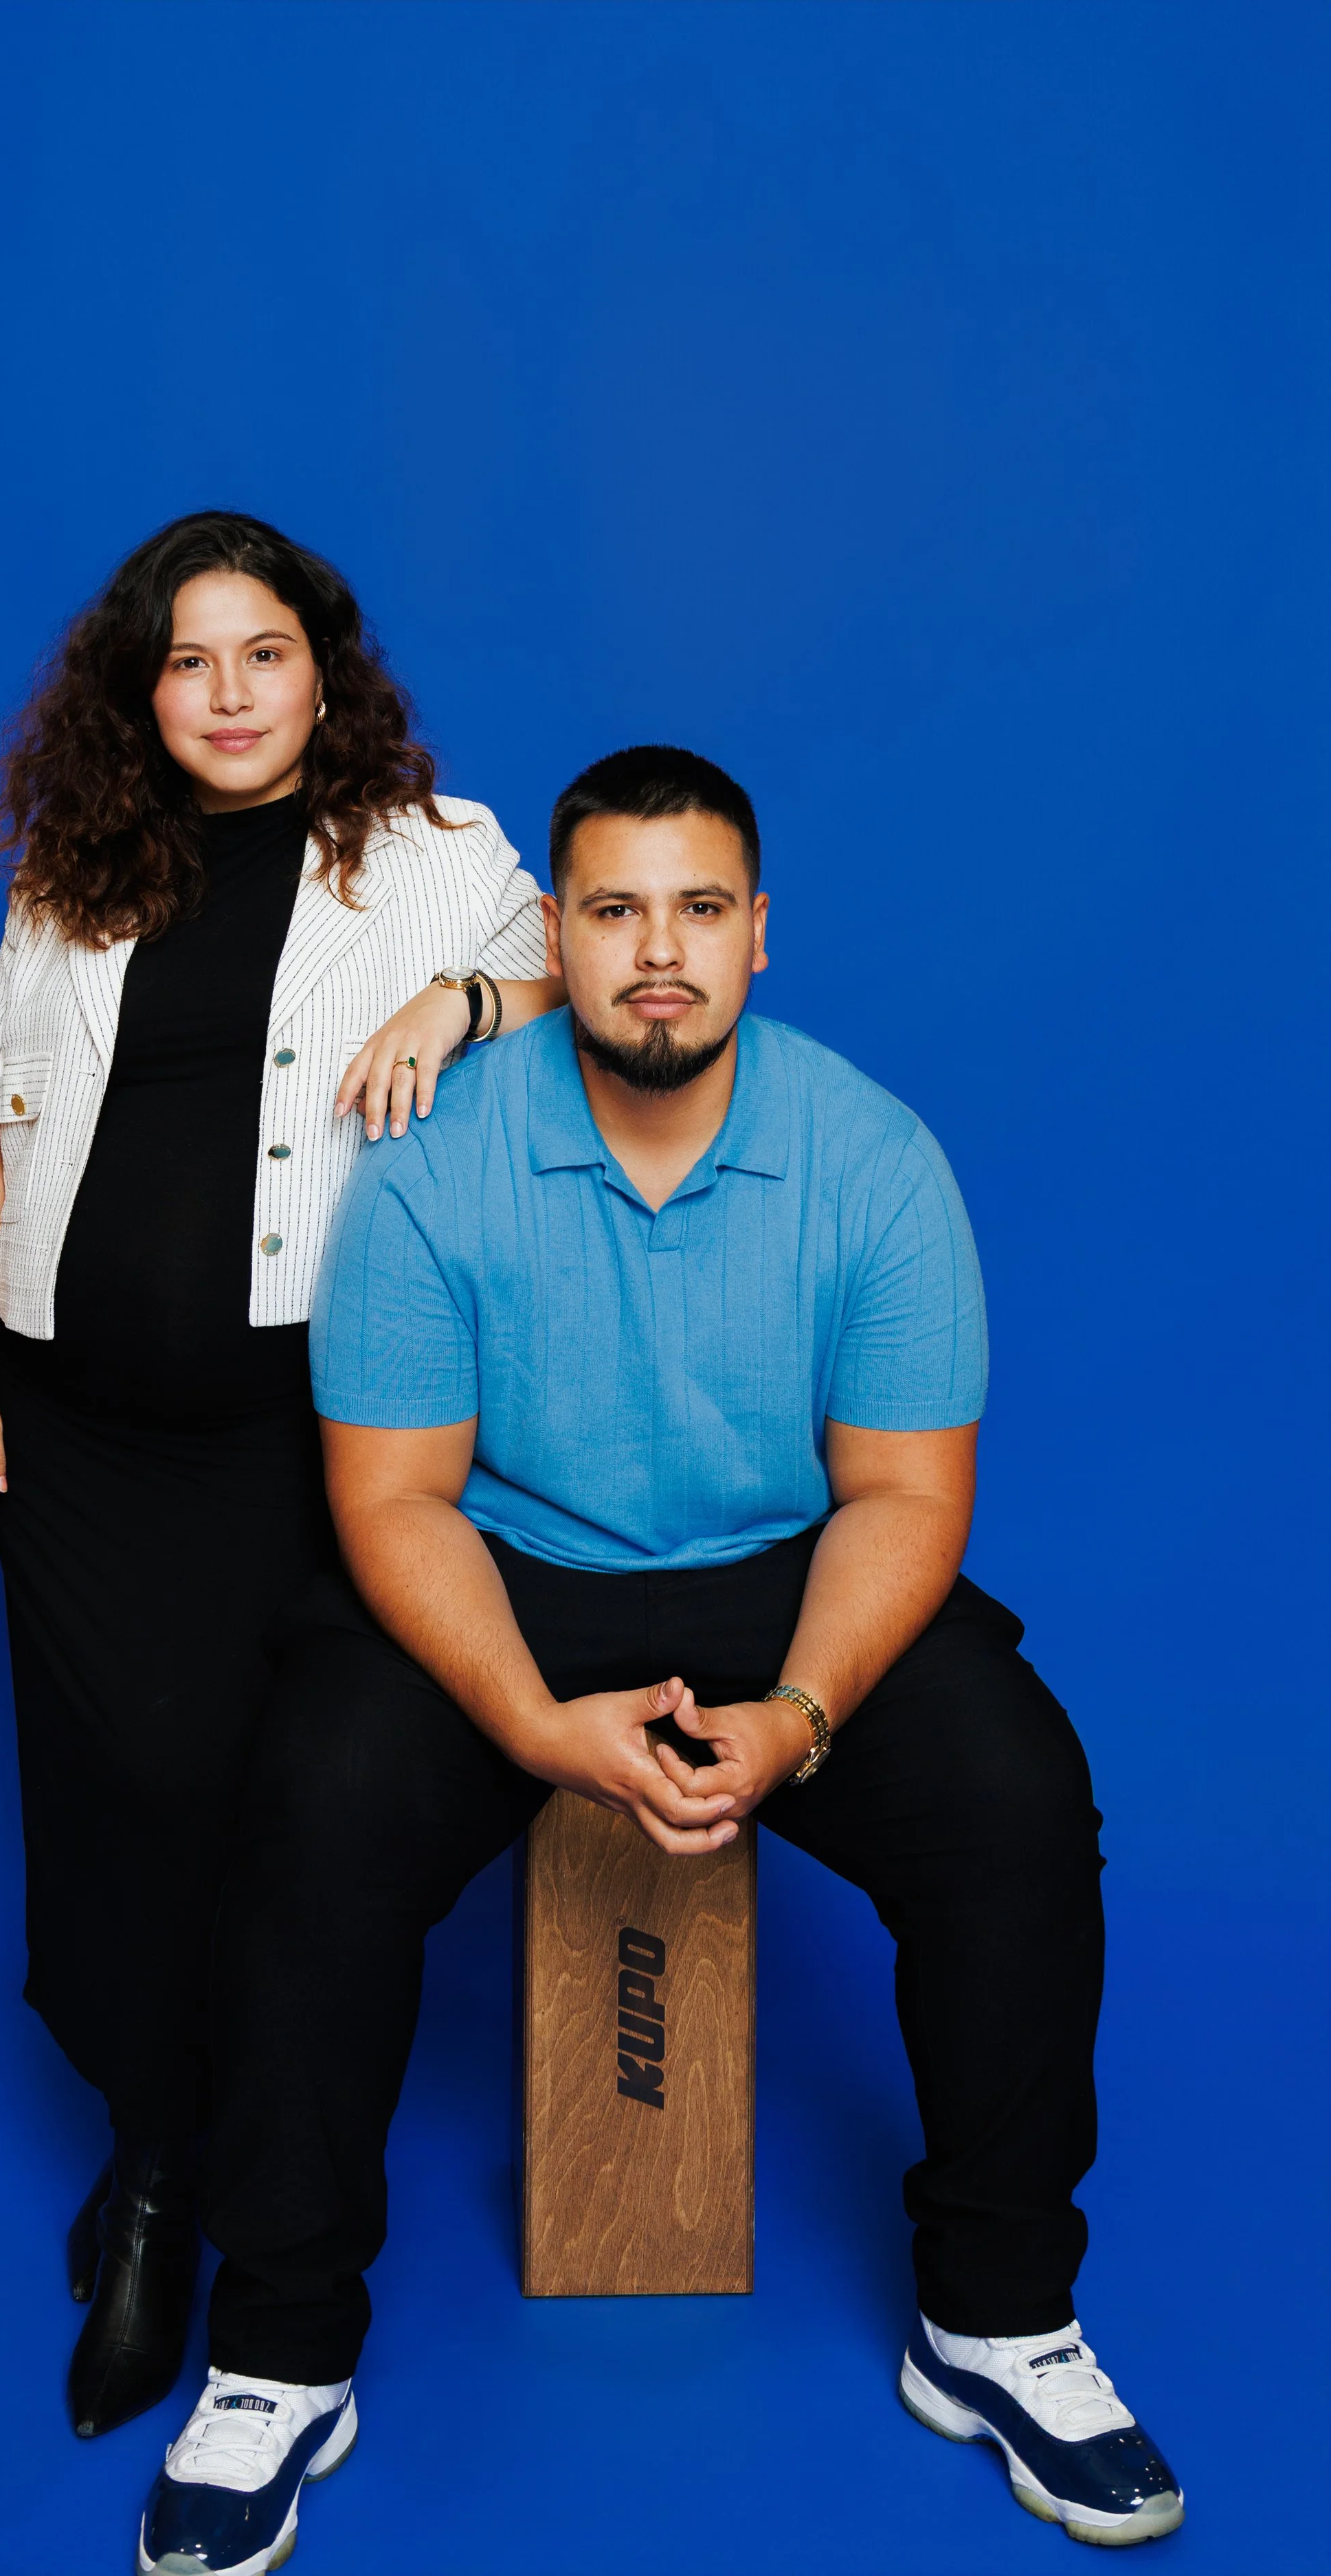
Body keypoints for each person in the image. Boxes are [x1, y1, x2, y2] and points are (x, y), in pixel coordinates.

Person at [135, 746, 1185, 2573]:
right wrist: (531, 1717)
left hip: (787, 1576)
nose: (656, 954)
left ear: (759, 934)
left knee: (1017, 1795)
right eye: (612, 911)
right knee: (312, 1804)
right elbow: (392, 1501)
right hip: (508, 1565)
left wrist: (795, 1712)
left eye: (699, 909)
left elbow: (903, 1496)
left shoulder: (868, 1155)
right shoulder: (436, 1162)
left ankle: (995, 2314)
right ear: (556, 930)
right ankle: (284, 2345)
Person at [0, 511, 559, 2439]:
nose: (227, 693)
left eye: (261, 652)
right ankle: (154, 2170)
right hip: (76, 1429)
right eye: (187, 662)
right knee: (111, 1807)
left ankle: (224, 2183)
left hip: (310, 1442)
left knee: (252, 1808)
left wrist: (461, 1004)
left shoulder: (438, 861)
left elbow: (585, 1003)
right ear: (143, 689)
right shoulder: (78, 871)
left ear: (321, 666)